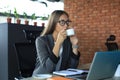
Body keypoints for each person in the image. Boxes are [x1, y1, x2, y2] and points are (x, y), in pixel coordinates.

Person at [32, 10, 80, 75]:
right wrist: (58, 43)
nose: (66, 26)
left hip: (58, 76)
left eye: (67, 22)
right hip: (42, 77)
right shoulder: (41, 40)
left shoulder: (67, 41)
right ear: (53, 23)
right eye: (62, 22)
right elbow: (48, 69)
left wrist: (74, 45)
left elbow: (72, 67)